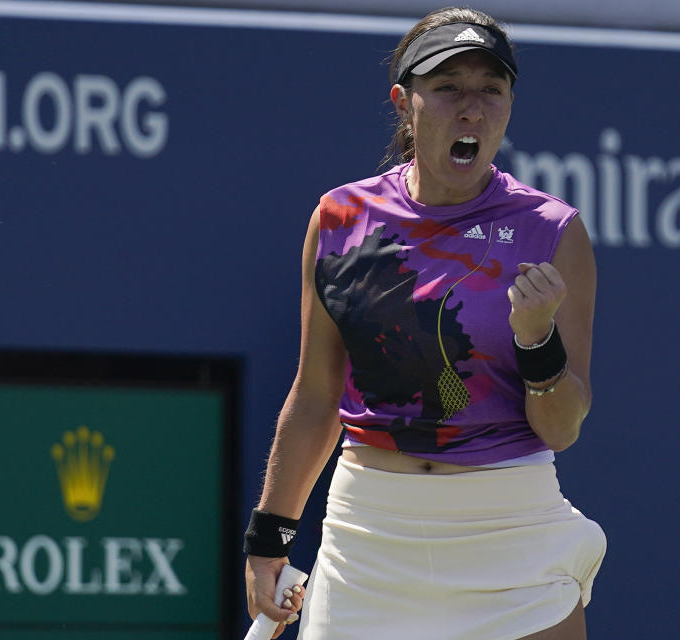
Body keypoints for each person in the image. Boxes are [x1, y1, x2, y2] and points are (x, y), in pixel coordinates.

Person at [243, 7, 606, 639]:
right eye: (448, 88)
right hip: (368, 535)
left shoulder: (553, 232)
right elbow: (316, 396)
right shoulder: (339, 220)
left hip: (510, 530)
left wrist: (536, 339)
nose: (472, 109)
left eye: (491, 91)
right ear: (404, 104)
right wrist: (271, 534)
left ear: (510, 106)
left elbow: (563, 425)